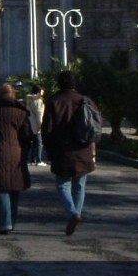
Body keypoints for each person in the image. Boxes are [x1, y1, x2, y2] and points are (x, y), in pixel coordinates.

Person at [42, 70, 97, 236]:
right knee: (80, 185)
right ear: (75, 84)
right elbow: (95, 124)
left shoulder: (54, 101)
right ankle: (77, 214)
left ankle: (73, 213)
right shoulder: (85, 100)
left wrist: (48, 149)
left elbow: (47, 129)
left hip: (62, 150)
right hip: (83, 149)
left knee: (62, 185)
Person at [0, 83, 32, 234]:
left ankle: (5, 223)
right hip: (17, 153)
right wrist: (23, 149)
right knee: (15, 188)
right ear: (13, 94)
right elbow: (27, 136)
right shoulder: (20, 112)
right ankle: (11, 221)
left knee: (2, 188)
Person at [26, 84, 47, 166]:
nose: (43, 91)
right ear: (39, 91)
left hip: (30, 123)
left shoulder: (30, 99)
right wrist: (41, 125)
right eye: (42, 90)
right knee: (39, 142)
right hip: (36, 124)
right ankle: (38, 160)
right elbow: (39, 114)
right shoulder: (38, 101)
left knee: (34, 142)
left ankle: (33, 159)